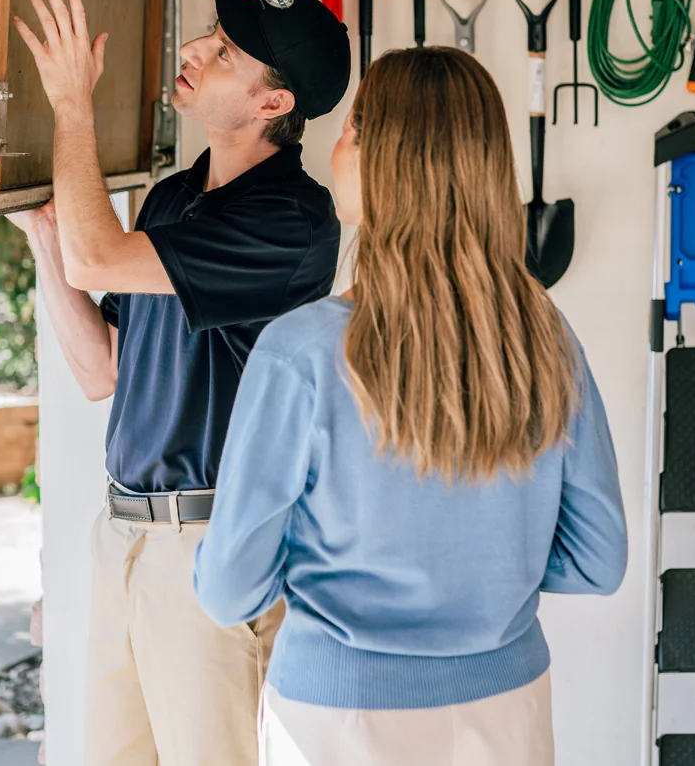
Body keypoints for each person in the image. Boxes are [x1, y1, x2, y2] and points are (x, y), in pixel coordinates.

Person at [194, 47, 628, 766]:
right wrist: (492, 571)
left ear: (397, 162)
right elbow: (599, 560)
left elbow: (229, 590)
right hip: (506, 711)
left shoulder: (299, 354)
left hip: (338, 722)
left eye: (355, 131)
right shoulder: (543, 334)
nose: (337, 146)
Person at [7, 0, 351, 766]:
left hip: (210, 553)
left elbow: (97, 255)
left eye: (227, 52)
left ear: (273, 104)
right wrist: (41, 240)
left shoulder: (290, 222)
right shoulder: (172, 200)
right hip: (124, 535)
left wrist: (71, 106)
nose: (197, 49)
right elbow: (103, 371)